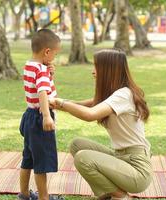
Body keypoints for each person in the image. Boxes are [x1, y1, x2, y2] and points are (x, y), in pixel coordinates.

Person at [49, 48, 153, 200]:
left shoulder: (123, 94)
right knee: (77, 145)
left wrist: (62, 103)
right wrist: (55, 102)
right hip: (122, 158)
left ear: (108, 70)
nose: (93, 71)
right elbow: (83, 106)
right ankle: (108, 193)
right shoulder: (114, 94)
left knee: (83, 157)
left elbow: (89, 115)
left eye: (96, 67)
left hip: (137, 169)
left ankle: (120, 196)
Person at [18, 29, 63, 200]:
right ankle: (44, 197)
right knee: (41, 163)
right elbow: (43, 92)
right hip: (39, 118)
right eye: (55, 54)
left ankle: (23, 194)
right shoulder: (41, 71)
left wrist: (49, 74)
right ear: (47, 51)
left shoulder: (30, 65)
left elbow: (40, 86)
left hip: (29, 116)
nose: (54, 58)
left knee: (28, 158)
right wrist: (46, 116)